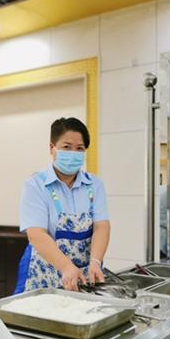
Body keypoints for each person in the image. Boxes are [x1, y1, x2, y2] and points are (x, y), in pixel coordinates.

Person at [15, 118, 110, 293]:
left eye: (79, 148)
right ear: (52, 148)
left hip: (84, 274)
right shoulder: (35, 185)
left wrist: (96, 261)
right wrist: (66, 267)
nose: (73, 153)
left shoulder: (94, 185)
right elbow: (36, 234)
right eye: (67, 147)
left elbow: (101, 226)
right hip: (44, 272)